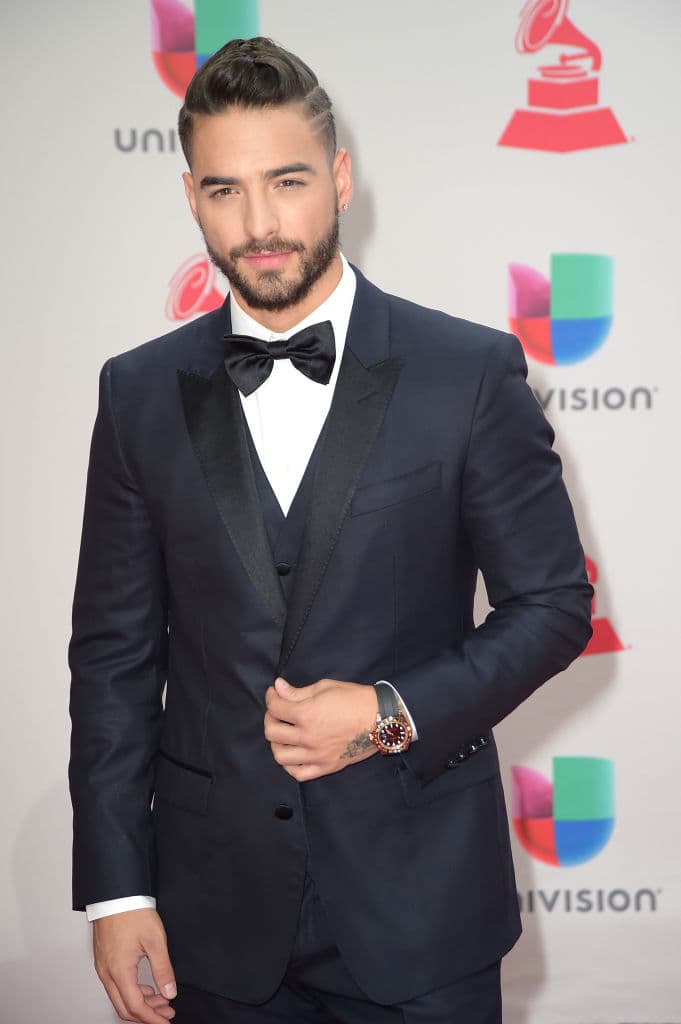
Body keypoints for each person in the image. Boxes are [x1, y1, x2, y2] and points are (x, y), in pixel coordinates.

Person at [68, 36, 593, 1024]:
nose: (261, 224)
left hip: (421, 910)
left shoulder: (467, 373)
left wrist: (391, 709)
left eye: (289, 181)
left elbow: (555, 604)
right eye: (225, 190)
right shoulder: (137, 392)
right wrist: (118, 887)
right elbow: (114, 660)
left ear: (341, 178)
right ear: (191, 199)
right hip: (207, 918)